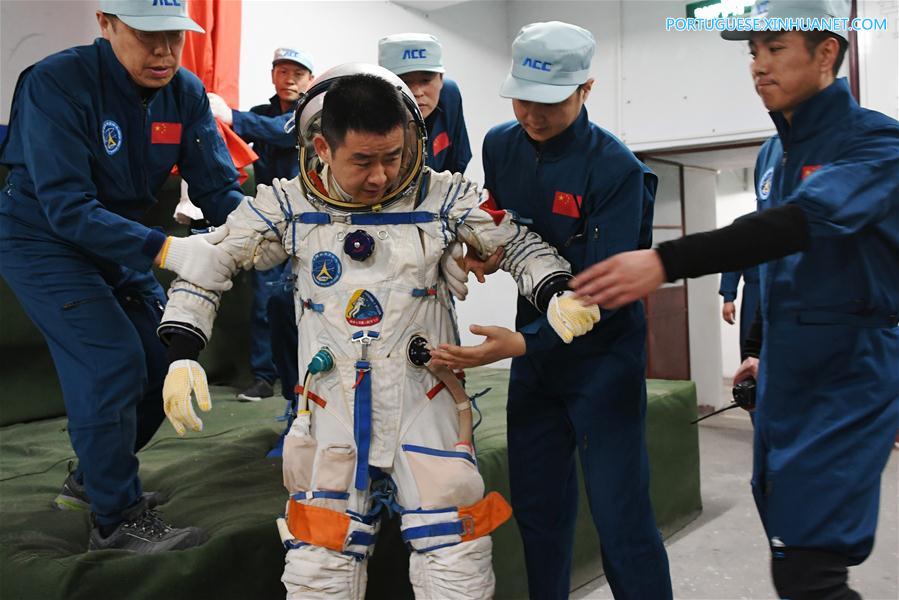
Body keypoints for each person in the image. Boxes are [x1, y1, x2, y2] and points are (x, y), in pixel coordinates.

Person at [154, 64, 600, 598]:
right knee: (321, 556)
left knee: (455, 550)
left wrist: (557, 291)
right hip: (331, 405)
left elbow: (516, 242)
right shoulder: (289, 206)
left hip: (426, 395)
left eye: (392, 156)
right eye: (362, 161)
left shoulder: (442, 197)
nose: (382, 176)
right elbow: (212, 260)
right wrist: (183, 351)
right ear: (322, 146)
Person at [570, 1, 899, 597]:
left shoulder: (876, 143)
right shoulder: (774, 153)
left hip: (848, 375)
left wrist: (665, 261)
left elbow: (801, 224)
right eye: (752, 51)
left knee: (812, 564)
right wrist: (763, 351)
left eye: (775, 49)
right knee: (790, 549)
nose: (758, 65)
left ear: (826, 53)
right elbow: (780, 268)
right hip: (788, 375)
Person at [429, 21, 673, 600]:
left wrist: (523, 343)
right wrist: (481, 249)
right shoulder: (500, 143)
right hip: (537, 372)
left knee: (622, 524)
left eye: (550, 102)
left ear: (586, 90)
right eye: (521, 99)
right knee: (539, 516)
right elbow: (500, 220)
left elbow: (609, 290)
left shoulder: (616, 170)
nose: (532, 116)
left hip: (603, 366)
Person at [0, 0, 244, 552]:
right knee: (111, 358)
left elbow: (218, 190)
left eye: (174, 37)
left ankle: (94, 481)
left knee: (165, 355)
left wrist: (268, 232)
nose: (163, 51)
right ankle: (116, 521)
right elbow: (66, 206)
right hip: (43, 239)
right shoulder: (55, 83)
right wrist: (170, 252)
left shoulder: (184, 92)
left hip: (119, 240)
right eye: (146, 34)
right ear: (105, 24)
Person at [208, 47, 314, 402]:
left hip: (311, 222)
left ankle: (306, 376)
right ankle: (265, 376)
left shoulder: (314, 114)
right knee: (266, 300)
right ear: (272, 76)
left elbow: (285, 133)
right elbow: (233, 149)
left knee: (312, 301)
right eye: (282, 71)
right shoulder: (260, 114)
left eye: (298, 73)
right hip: (271, 221)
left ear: (311, 80)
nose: (290, 79)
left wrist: (231, 117)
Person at [378, 33, 472, 175]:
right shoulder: (368, 112)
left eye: (426, 80)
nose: (417, 92)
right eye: (405, 82)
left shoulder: (449, 96)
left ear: (441, 79)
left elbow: (456, 164)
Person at [720, 264, 760, 354]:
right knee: (751, 341)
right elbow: (734, 256)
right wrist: (728, 298)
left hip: (785, 290)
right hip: (754, 291)